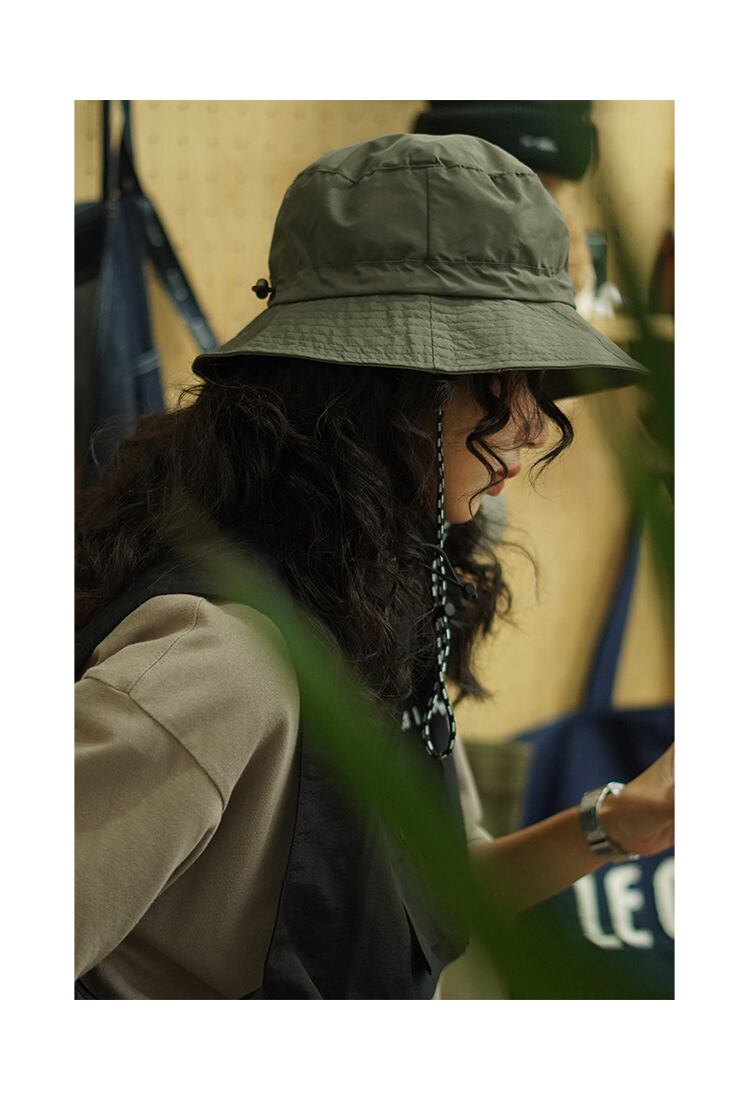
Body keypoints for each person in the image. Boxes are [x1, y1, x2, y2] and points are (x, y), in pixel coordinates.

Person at [75, 132, 674, 999]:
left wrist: (622, 824)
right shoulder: (217, 667)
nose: (537, 425)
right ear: (385, 387)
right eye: (505, 376)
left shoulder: (381, 592)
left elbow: (431, 900)